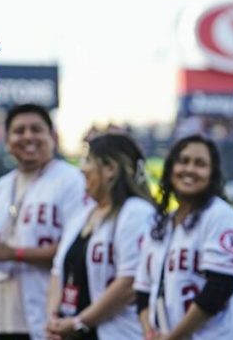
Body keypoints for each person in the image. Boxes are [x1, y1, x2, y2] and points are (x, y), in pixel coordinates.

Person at [0, 104, 85, 340]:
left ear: (52, 137)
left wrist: (14, 253)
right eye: (19, 131)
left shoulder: (72, 181)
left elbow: (78, 253)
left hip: (51, 316)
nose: (28, 136)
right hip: (2, 318)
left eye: (36, 129)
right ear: (8, 141)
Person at [133, 135, 233, 340]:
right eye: (183, 161)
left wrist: (173, 337)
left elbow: (219, 289)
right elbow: (143, 294)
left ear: (212, 174)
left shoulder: (221, 216)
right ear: (170, 169)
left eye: (200, 164)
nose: (189, 169)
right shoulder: (160, 225)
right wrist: (150, 333)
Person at [45, 133, 154, 340]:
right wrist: (54, 319)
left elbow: (130, 282)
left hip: (119, 333)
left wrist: (79, 322)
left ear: (110, 169)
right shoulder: (83, 215)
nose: (81, 168)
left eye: (87, 160)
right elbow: (58, 271)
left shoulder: (136, 212)